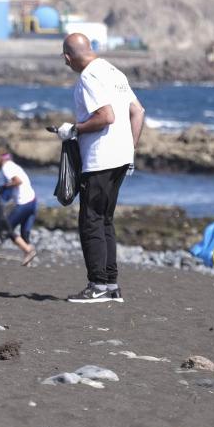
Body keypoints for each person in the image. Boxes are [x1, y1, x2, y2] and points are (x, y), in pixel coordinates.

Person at [55, 32, 145, 303]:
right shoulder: (114, 71)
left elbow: (106, 117)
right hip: (120, 158)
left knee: (91, 220)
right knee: (105, 219)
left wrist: (73, 130)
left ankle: (97, 284)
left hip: (100, 159)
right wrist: (131, 148)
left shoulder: (88, 77)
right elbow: (138, 112)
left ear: (67, 57)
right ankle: (110, 284)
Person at [0, 149, 38, 265]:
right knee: (24, 233)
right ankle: (28, 263)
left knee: (7, 229)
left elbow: (18, 181)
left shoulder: (6, 167)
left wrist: (4, 186)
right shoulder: (14, 166)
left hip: (24, 203)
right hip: (33, 201)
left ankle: (28, 250)